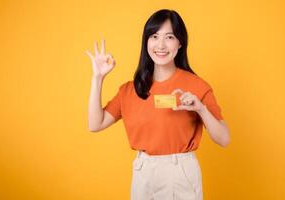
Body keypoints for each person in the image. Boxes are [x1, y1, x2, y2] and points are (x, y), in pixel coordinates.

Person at [86, 9, 230, 200]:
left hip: (180, 174)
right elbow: (95, 124)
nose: (161, 45)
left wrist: (201, 109)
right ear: (146, 41)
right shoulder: (130, 90)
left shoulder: (197, 86)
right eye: (154, 36)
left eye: (169, 37)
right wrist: (98, 78)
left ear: (180, 43)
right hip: (143, 173)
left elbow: (224, 138)